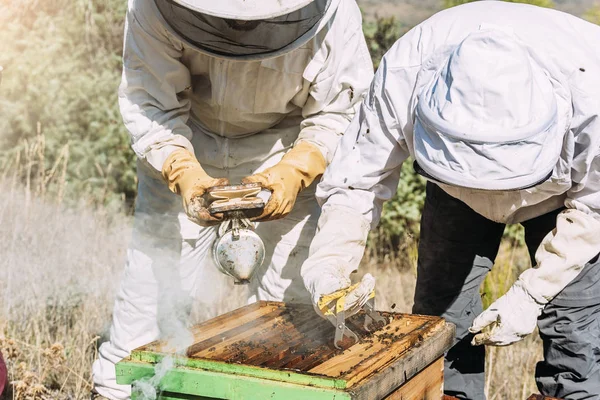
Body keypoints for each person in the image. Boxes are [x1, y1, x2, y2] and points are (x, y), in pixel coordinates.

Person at [301, 2, 600, 399]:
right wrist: (329, 263)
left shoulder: (591, 89)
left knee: (573, 324)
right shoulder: (405, 73)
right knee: (442, 317)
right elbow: (356, 181)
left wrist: (532, 293)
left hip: (565, 199)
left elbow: (595, 207)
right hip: (451, 193)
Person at [91, 0, 373, 398]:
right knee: (151, 295)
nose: (238, 27)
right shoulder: (153, 8)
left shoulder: (336, 14)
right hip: (185, 139)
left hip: (286, 144)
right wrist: (181, 170)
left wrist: (297, 169)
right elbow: (149, 102)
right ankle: (121, 392)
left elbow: (338, 111)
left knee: (285, 315)